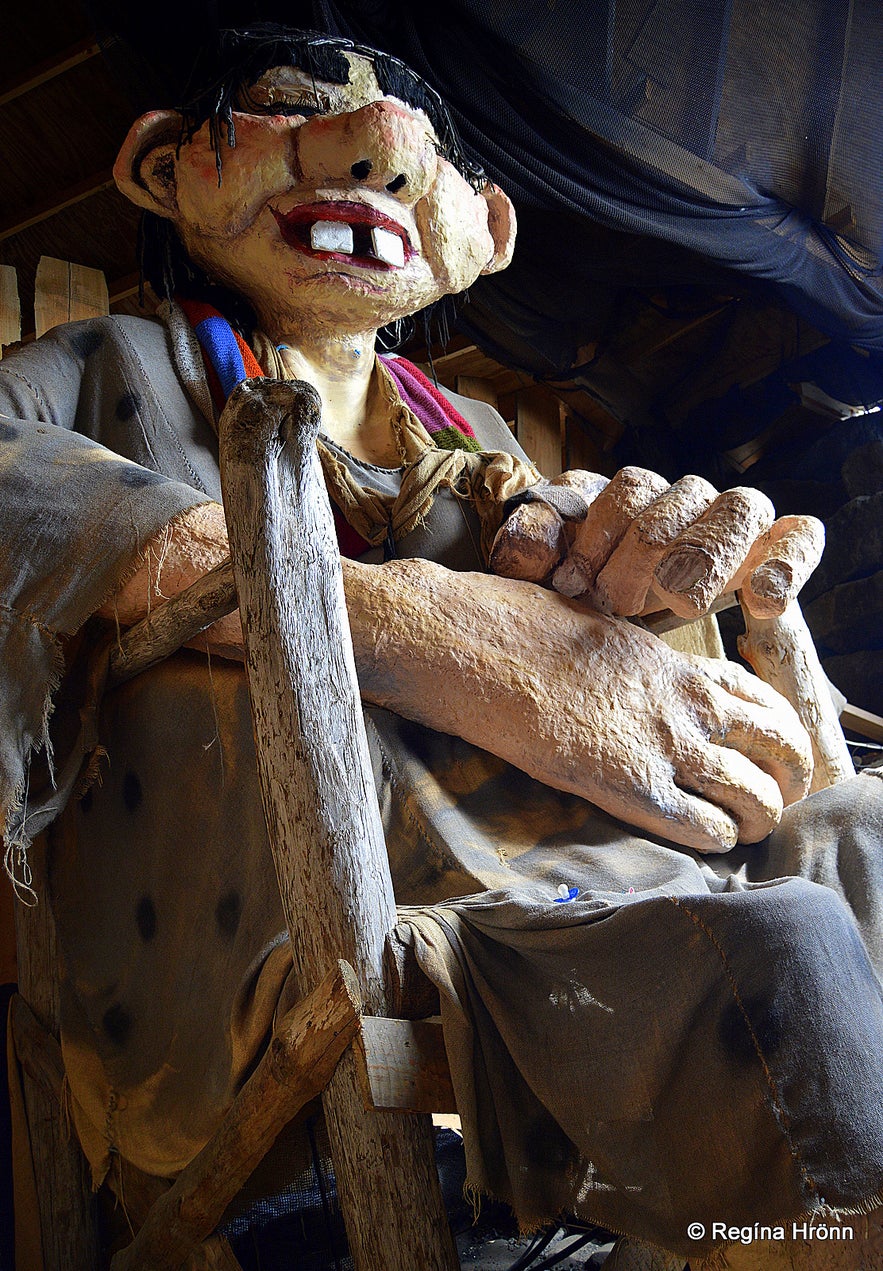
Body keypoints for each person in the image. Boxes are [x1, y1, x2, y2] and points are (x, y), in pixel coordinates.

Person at [1, 25, 882, 1266]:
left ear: (486, 228)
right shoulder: (105, 368)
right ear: (160, 169)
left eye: (426, 153)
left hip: (587, 879)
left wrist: (639, 567)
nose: (377, 155)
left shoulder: (467, 429)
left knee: (864, 838)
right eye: (295, 111)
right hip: (287, 922)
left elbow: (598, 621)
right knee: (776, 962)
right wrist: (425, 621)